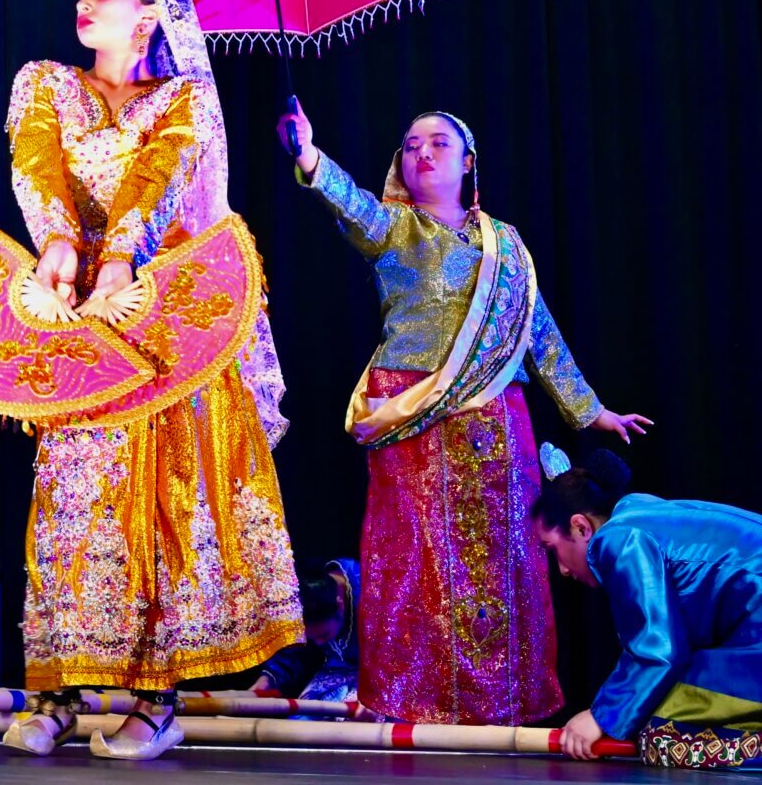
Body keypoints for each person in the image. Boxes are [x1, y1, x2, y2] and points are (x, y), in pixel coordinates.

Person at [3, 0, 302, 760]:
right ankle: (57, 692)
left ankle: (155, 702)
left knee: (162, 494)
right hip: (76, 313)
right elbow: (37, 165)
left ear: (148, 18)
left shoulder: (184, 98)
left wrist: (121, 257)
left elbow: (158, 176)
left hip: (158, 312)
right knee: (70, 495)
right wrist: (62, 246)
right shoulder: (45, 82)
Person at [275, 105, 650, 725]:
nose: (422, 152)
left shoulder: (507, 247)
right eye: (411, 144)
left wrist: (591, 411)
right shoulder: (392, 226)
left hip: (499, 419)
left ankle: (504, 702)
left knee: (508, 554)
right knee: (416, 554)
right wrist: (309, 156)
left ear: (468, 162)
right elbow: (348, 204)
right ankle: (411, 704)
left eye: (439, 143)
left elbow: (540, 333)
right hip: (412, 414)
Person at [532, 449, 762, 770]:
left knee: (660, 736)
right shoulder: (634, 512)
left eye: (552, 549)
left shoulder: (619, 540)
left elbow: (659, 650)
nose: (563, 571)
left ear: (581, 527)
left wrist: (600, 717)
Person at [253, 558, 361, 701]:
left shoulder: (376, 596)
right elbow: (294, 650)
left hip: (385, 677)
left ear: (340, 607)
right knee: (300, 721)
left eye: (324, 635)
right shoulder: (302, 599)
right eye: (311, 638)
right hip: (336, 674)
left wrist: (378, 700)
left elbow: (398, 658)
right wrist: (266, 681)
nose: (319, 643)